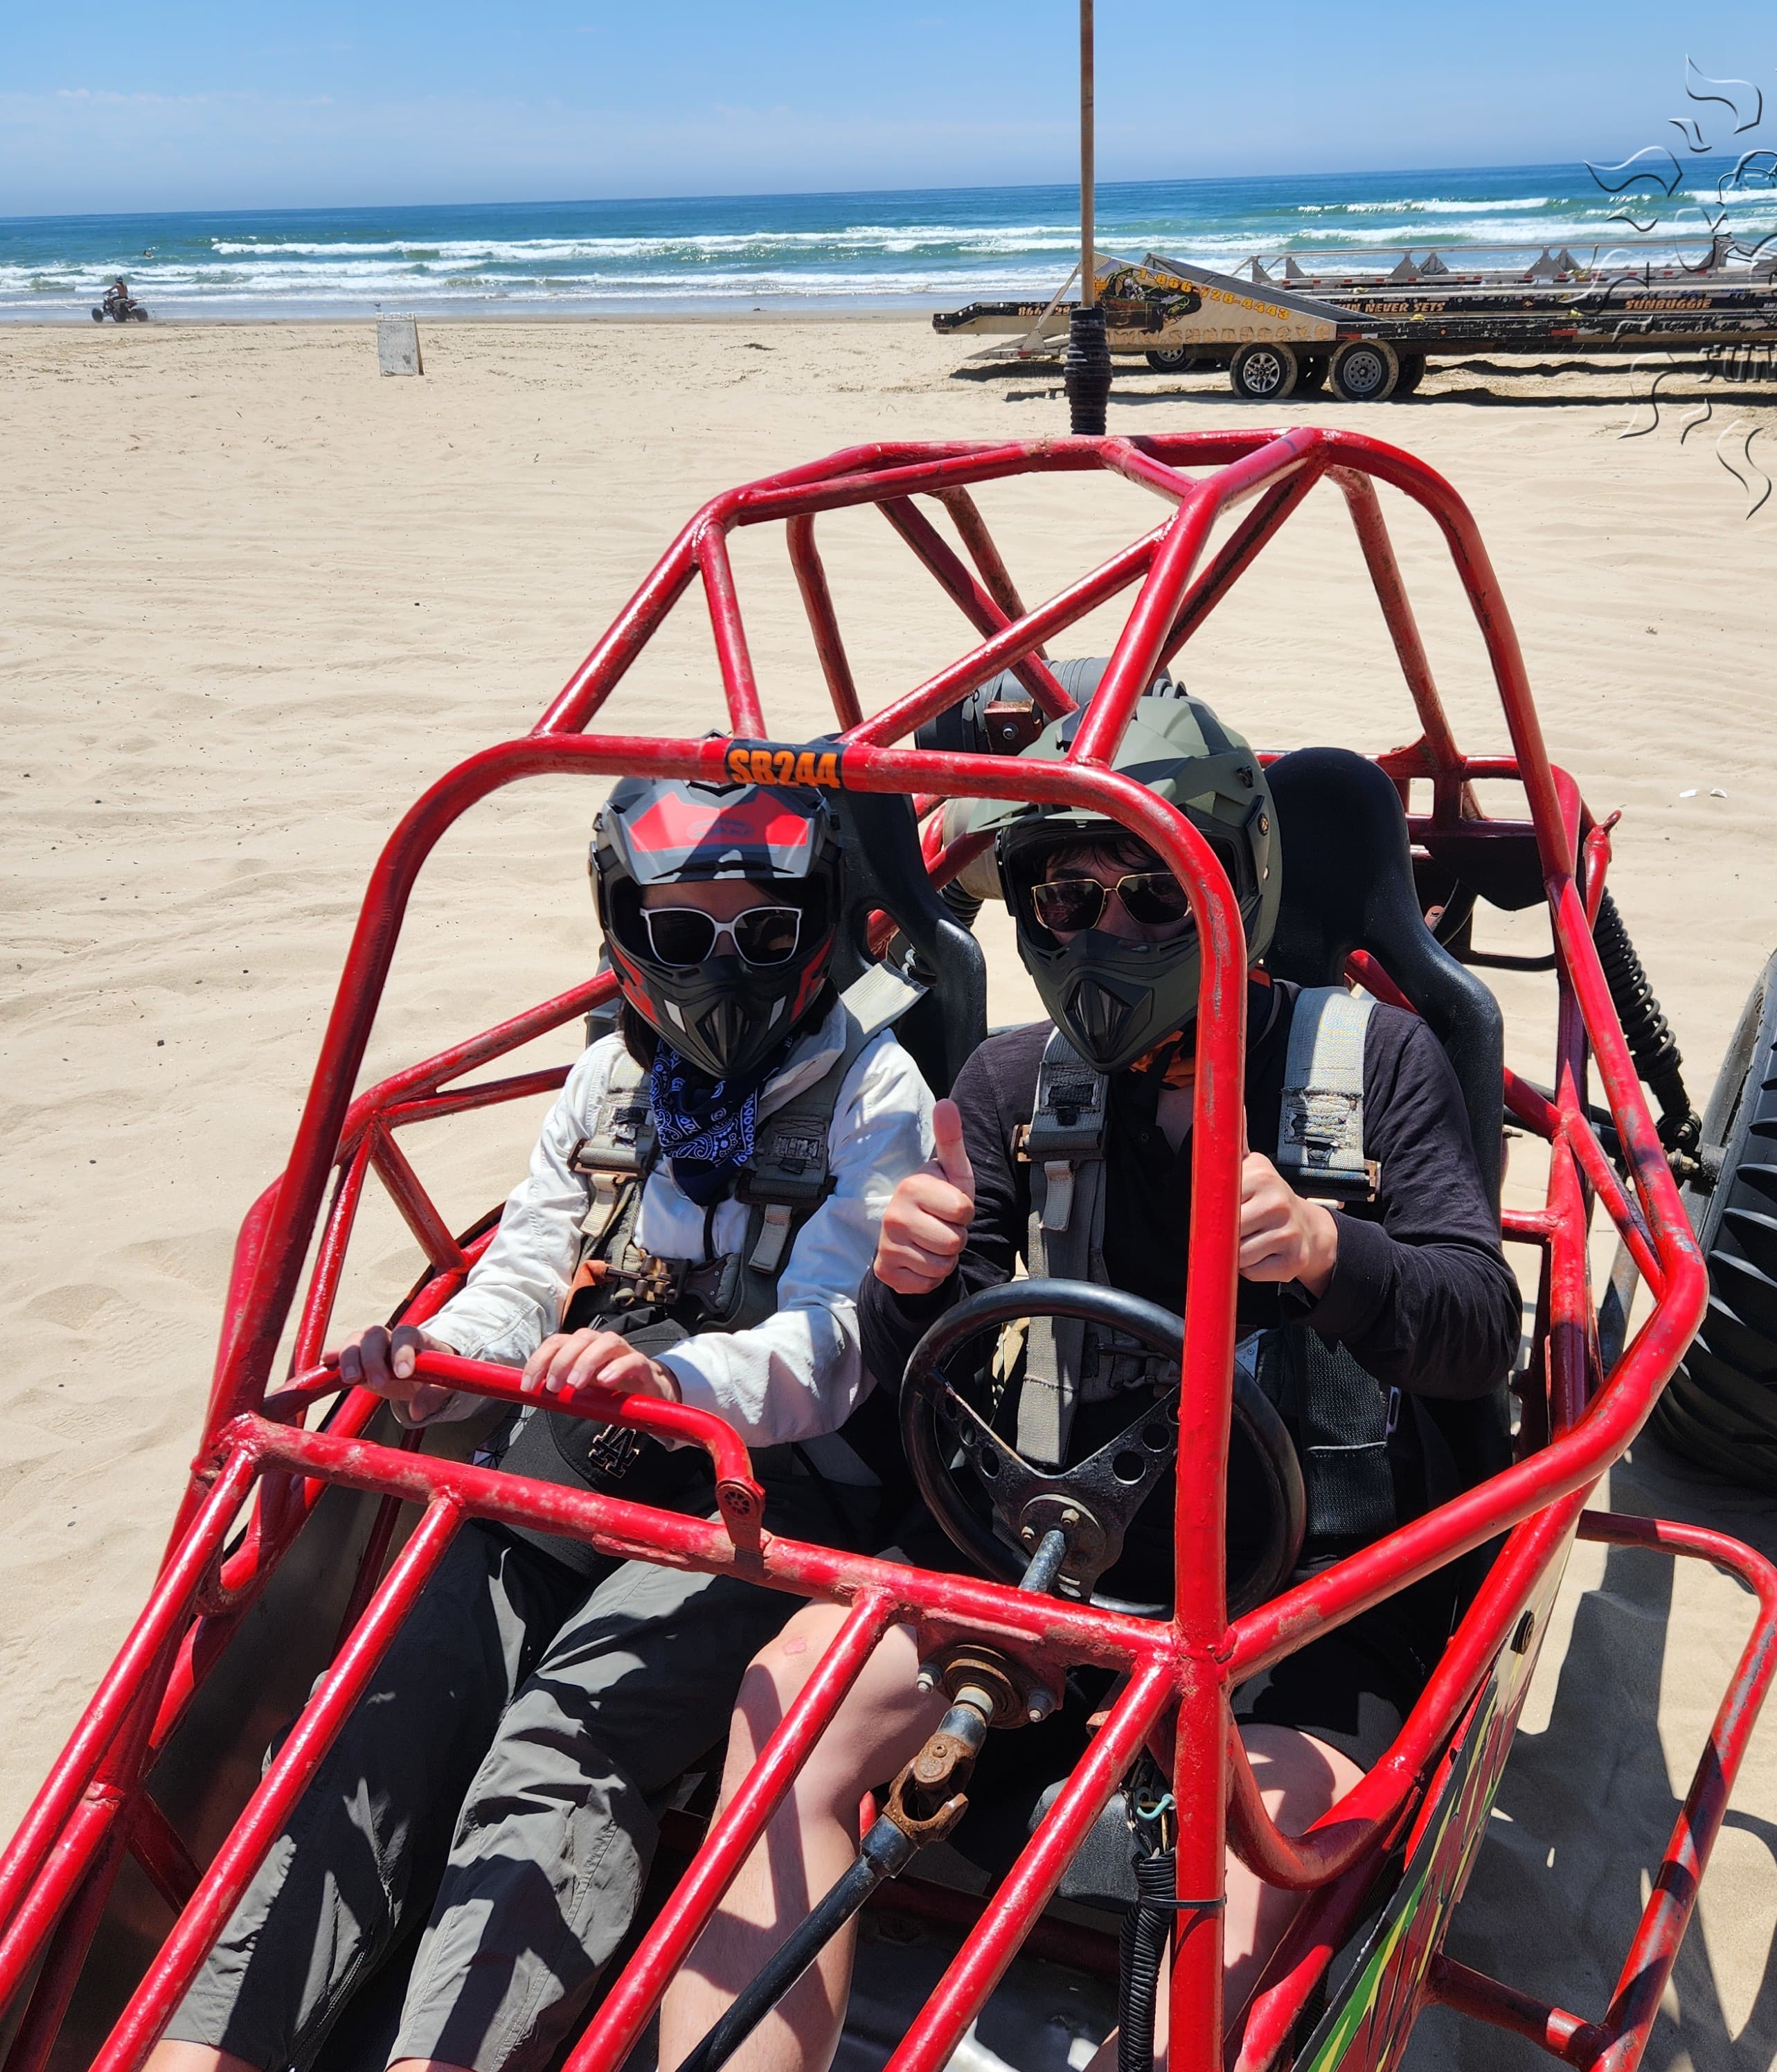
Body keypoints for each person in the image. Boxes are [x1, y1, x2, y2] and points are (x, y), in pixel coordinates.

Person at [656, 695, 1521, 2072]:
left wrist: (1330, 1249)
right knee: (786, 1715)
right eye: (1059, 897)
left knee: (1229, 1911)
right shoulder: (1010, 1081)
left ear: (1233, 881)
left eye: (1142, 893)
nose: (1095, 936)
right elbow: (911, 1370)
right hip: (1050, 1555)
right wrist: (917, 1272)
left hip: (1301, 1603)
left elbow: (1483, 1332)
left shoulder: (1372, 1061)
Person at [148, 774, 934, 2072]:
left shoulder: (875, 1088)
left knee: (564, 1738)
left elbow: (836, 1343)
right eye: (682, 933)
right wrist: (433, 1361)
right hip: (572, 1468)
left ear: (822, 930)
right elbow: (515, 1289)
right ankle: (208, 2048)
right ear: (626, 930)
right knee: (383, 1705)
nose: (720, 965)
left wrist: (674, 1384)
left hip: (767, 1502)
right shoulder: (609, 1083)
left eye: (762, 931)